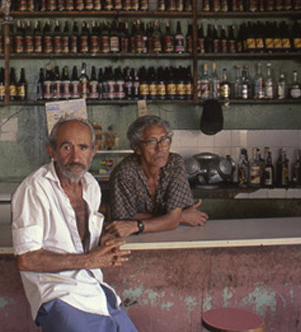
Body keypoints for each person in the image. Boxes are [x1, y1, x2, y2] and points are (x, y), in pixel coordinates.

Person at [11, 117, 137, 332]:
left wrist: (104, 241)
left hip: (93, 288)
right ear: (52, 151)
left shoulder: (91, 186)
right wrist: (89, 260)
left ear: (93, 152)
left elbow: (83, 235)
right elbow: (26, 259)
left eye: (83, 147)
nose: (76, 157)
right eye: (66, 147)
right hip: (58, 296)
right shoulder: (34, 189)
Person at [106, 115, 208, 237]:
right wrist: (179, 217)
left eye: (164, 141)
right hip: (135, 239)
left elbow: (172, 220)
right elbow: (124, 220)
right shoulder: (124, 173)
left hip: (172, 235)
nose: (160, 149)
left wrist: (174, 218)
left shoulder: (174, 163)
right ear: (137, 148)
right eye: (151, 142)